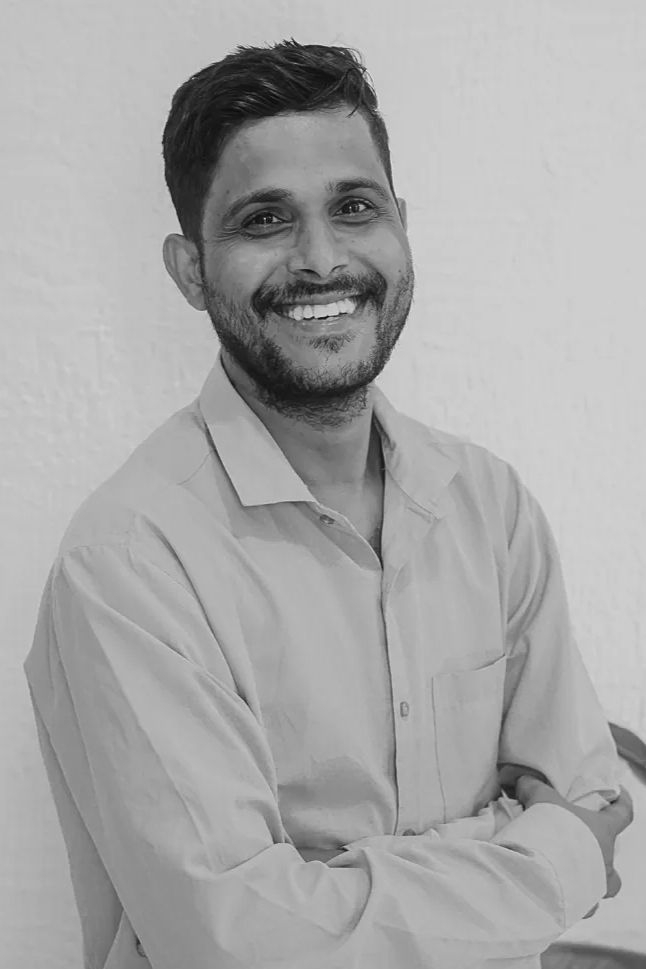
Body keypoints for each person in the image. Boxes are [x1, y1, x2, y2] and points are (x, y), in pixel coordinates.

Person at [24, 39, 633, 969]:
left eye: (355, 207)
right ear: (190, 270)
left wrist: (326, 886)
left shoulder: (489, 504)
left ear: (402, 227)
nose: (322, 260)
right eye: (266, 219)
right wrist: (535, 852)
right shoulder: (130, 562)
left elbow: (595, 805)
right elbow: (239, 942)